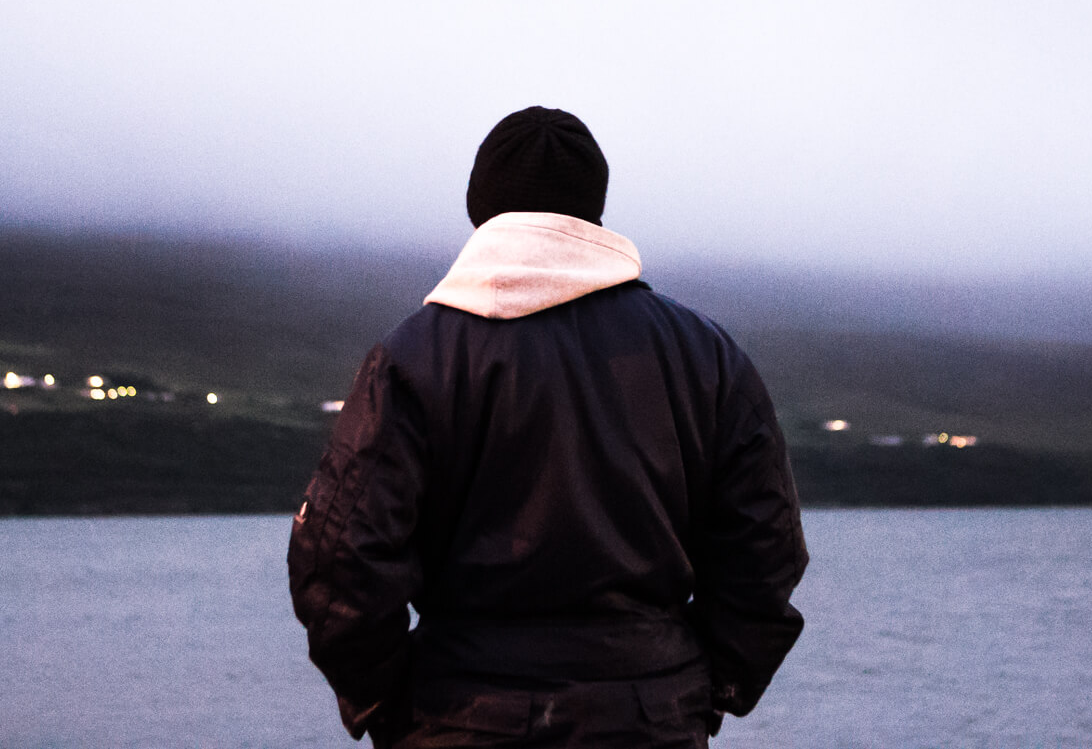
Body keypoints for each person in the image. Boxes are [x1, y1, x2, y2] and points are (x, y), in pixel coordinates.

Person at [288, 107, 808, 748]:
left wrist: (390, 703)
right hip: (652, 718)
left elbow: (340, 562)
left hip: (461, 718)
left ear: (482, 208)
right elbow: (767, 551)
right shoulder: (706, 355)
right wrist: (701, 690)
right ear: (592, 210)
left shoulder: (416, 356)